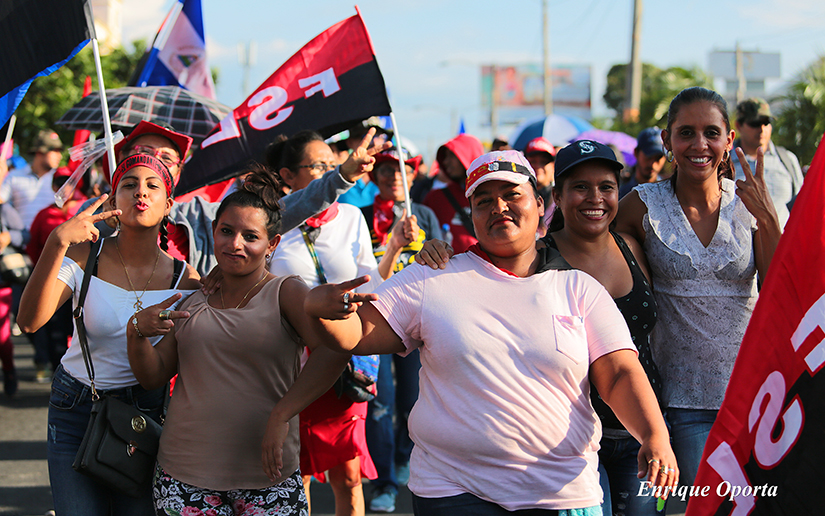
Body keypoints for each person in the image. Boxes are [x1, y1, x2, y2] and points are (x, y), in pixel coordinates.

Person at [306, 150, 678, 515]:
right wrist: (322, 309)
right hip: (453, 490)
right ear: (472, 217)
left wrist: (653, 434)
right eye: (484, 201)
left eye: (512, 194)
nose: (499, 207)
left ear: (540, 205)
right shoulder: (432, 276)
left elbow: (619, 373)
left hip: (561, 491)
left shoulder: (579, 288)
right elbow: (357, 332)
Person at [125, 163, 356, 515]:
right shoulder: (193, 296)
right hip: (183, 475)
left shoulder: (286, 292)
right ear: (213, 232)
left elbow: (335, 352)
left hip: (269, 478)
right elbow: (154, 376)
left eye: (250, 236)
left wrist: (283, 413)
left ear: (271, 243)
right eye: (226, 231)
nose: (235, 244)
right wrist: (137, 332)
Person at [615, 86, 782, 488]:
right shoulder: (642, 205)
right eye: (686, 132)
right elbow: (582, 244)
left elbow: (780, 285)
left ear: (728, 139)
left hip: (755, 396)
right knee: (712, 505)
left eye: (711, 132)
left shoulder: (749, 200)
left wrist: (768, 215)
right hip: (681, 402)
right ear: (667, 140)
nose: (699, 144)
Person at [17, 154, 201, 515]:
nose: (140, 193)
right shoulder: (85, 256)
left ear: (169, 205)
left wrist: (138, 334)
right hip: (75, 407)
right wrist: (57, 242)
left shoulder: (187, 282)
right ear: (113, 200)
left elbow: (159, 374)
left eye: (152, 185)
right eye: (129, 185)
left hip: (143, 415)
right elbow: (29, 322)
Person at [267, 130, 415, 516]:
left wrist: (395, 245)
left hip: (344, 360)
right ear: (288, 176)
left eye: (333, 166)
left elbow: (372, 283)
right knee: (291, 474)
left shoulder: (351, 217)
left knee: (348, 476)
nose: (330, 173)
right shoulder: (271, 224)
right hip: (288, 363)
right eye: (318, 167)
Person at [89, 120, 377, 277]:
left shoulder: (203, 216)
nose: (155, 162)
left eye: (167, 157)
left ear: (177, 173)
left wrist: (341, 176)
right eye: (145, 152)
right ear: (122, 162)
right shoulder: (94, 226)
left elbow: (282, 212)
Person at [546, 141, 664, 516]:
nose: (594, 198)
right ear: (557, 197)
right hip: (571, 441)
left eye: (606, 187)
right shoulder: (536, 261)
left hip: (639, 434)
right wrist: (435, 251)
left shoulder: (631, 244)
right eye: (580, 186)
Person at [360, 147, 441, 512]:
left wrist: (422, 243)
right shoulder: (361, 217)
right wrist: (392, 244)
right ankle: (384, 483)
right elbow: (361, 271)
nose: (394, 177)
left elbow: (443, 260)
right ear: (375, 176)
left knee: (413, 399)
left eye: (401, 171)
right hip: (373, 323)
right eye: (387, 170)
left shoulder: (423, 213)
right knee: (379, 404)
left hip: (418, 322)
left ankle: (404, 459)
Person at [25, 166, 88, 377]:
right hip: (54, 282)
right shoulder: (44, 215)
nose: (64, 187)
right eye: (59, 182)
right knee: (54, 329)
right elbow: (33, 248)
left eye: (69, 181)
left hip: (83, 283)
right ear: (53, 186)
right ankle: (56, 370)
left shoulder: (86, 212)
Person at [731, 98, 804, 227]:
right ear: (738, 126)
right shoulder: (724, 162)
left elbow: (802, 206)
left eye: (766, 122)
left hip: (781, 244)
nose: (761, 128)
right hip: (738, 245)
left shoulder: (787, 160)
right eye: (755, 123)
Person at [422, 133, 484, 253]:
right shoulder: (435, 198)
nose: (445, 162)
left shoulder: (491, 196)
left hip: (487, 267)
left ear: (467, 155)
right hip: (448, 267)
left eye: (452, 155)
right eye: (444, 156)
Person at [0, 200, 26, 396]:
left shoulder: (4, 208)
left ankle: (9, 370)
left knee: (2, 338)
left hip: (1, 283)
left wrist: (7, 237)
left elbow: (25, 234)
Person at [619, 128, 667, 199]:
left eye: (658, 158)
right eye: (649, 156)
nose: (652, 164)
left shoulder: (669, 193)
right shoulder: (622, 194)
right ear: (636, 153)